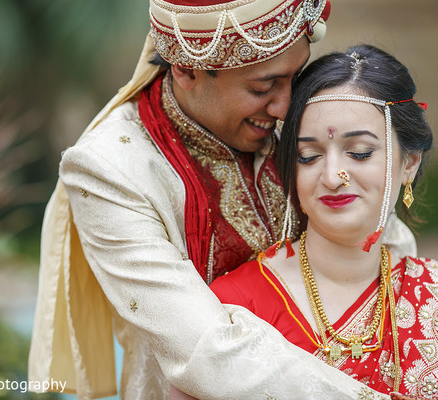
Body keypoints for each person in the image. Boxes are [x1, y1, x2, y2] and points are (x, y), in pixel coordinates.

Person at [28, 1, 401, 399]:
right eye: (263, 87)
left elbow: (382, 249)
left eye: (298, 76)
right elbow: (205, 350)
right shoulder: (111, 170)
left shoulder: (303, 119)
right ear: (186, 69)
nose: (286, 108)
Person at [208, 44, 438, 398]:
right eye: (308, 156)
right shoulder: (233, 309)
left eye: (359, 152)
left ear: (410, 162)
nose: (331, 176)